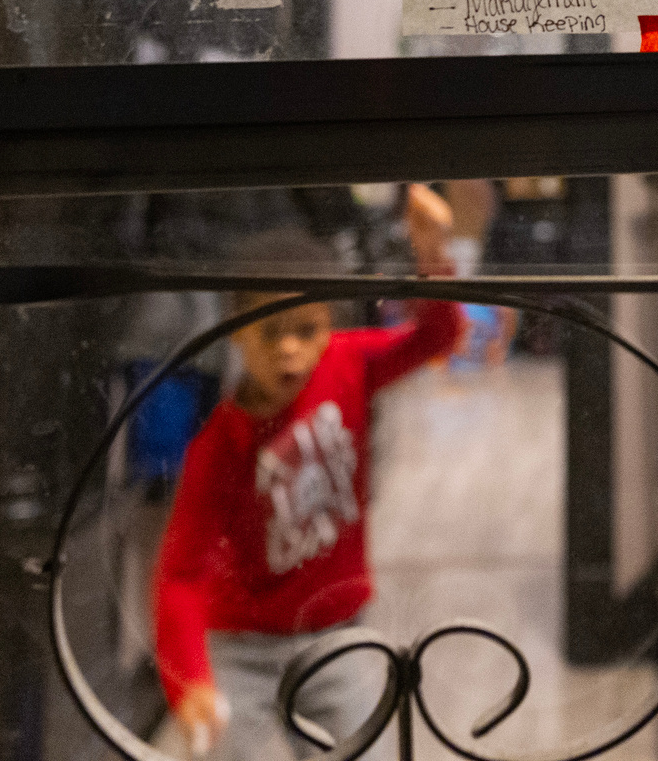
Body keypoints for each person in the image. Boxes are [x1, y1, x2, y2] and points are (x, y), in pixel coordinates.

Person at [152, 186, 461, 757]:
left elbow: (436, 339)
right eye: (271, 331)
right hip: (240, 647)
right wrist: (190, 680)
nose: (290, 349)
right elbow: (181, 575)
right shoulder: (218, 446)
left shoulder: (348, 363)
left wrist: (433, 255)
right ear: (237, 331)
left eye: (307, 329)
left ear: (329, 325)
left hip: (336, 634)